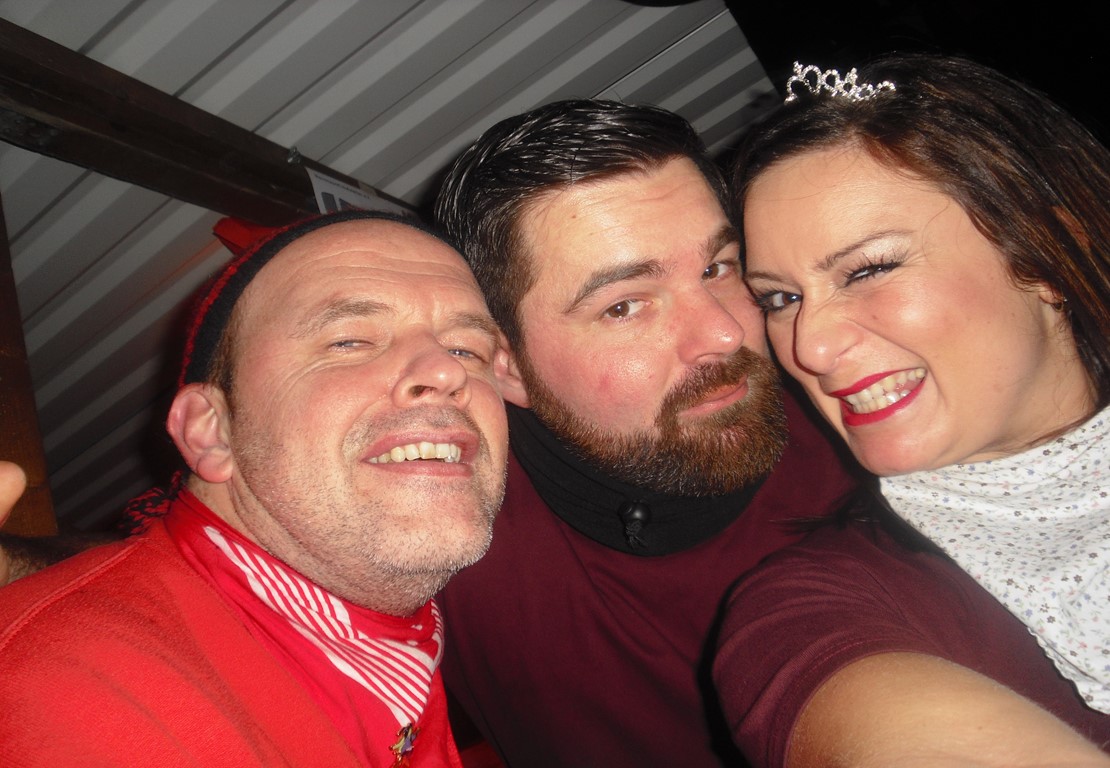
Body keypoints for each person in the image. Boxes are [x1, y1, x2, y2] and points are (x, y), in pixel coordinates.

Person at [432, 99, 862, 767]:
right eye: (625, 306)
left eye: (717, 268)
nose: (725, 333)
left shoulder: (864, 429)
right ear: (506, 366)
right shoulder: (444, 536)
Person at [0, 210, 512, 767]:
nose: (446, 372)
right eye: (349, 341)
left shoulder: (403, 644)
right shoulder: (70, 692)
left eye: (468, 350)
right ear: (211, 432)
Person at [715, 54, 1110, 766]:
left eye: (868, 269)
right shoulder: (814, 607)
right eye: (781, 298)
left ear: (1047, 255)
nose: (810, 346)